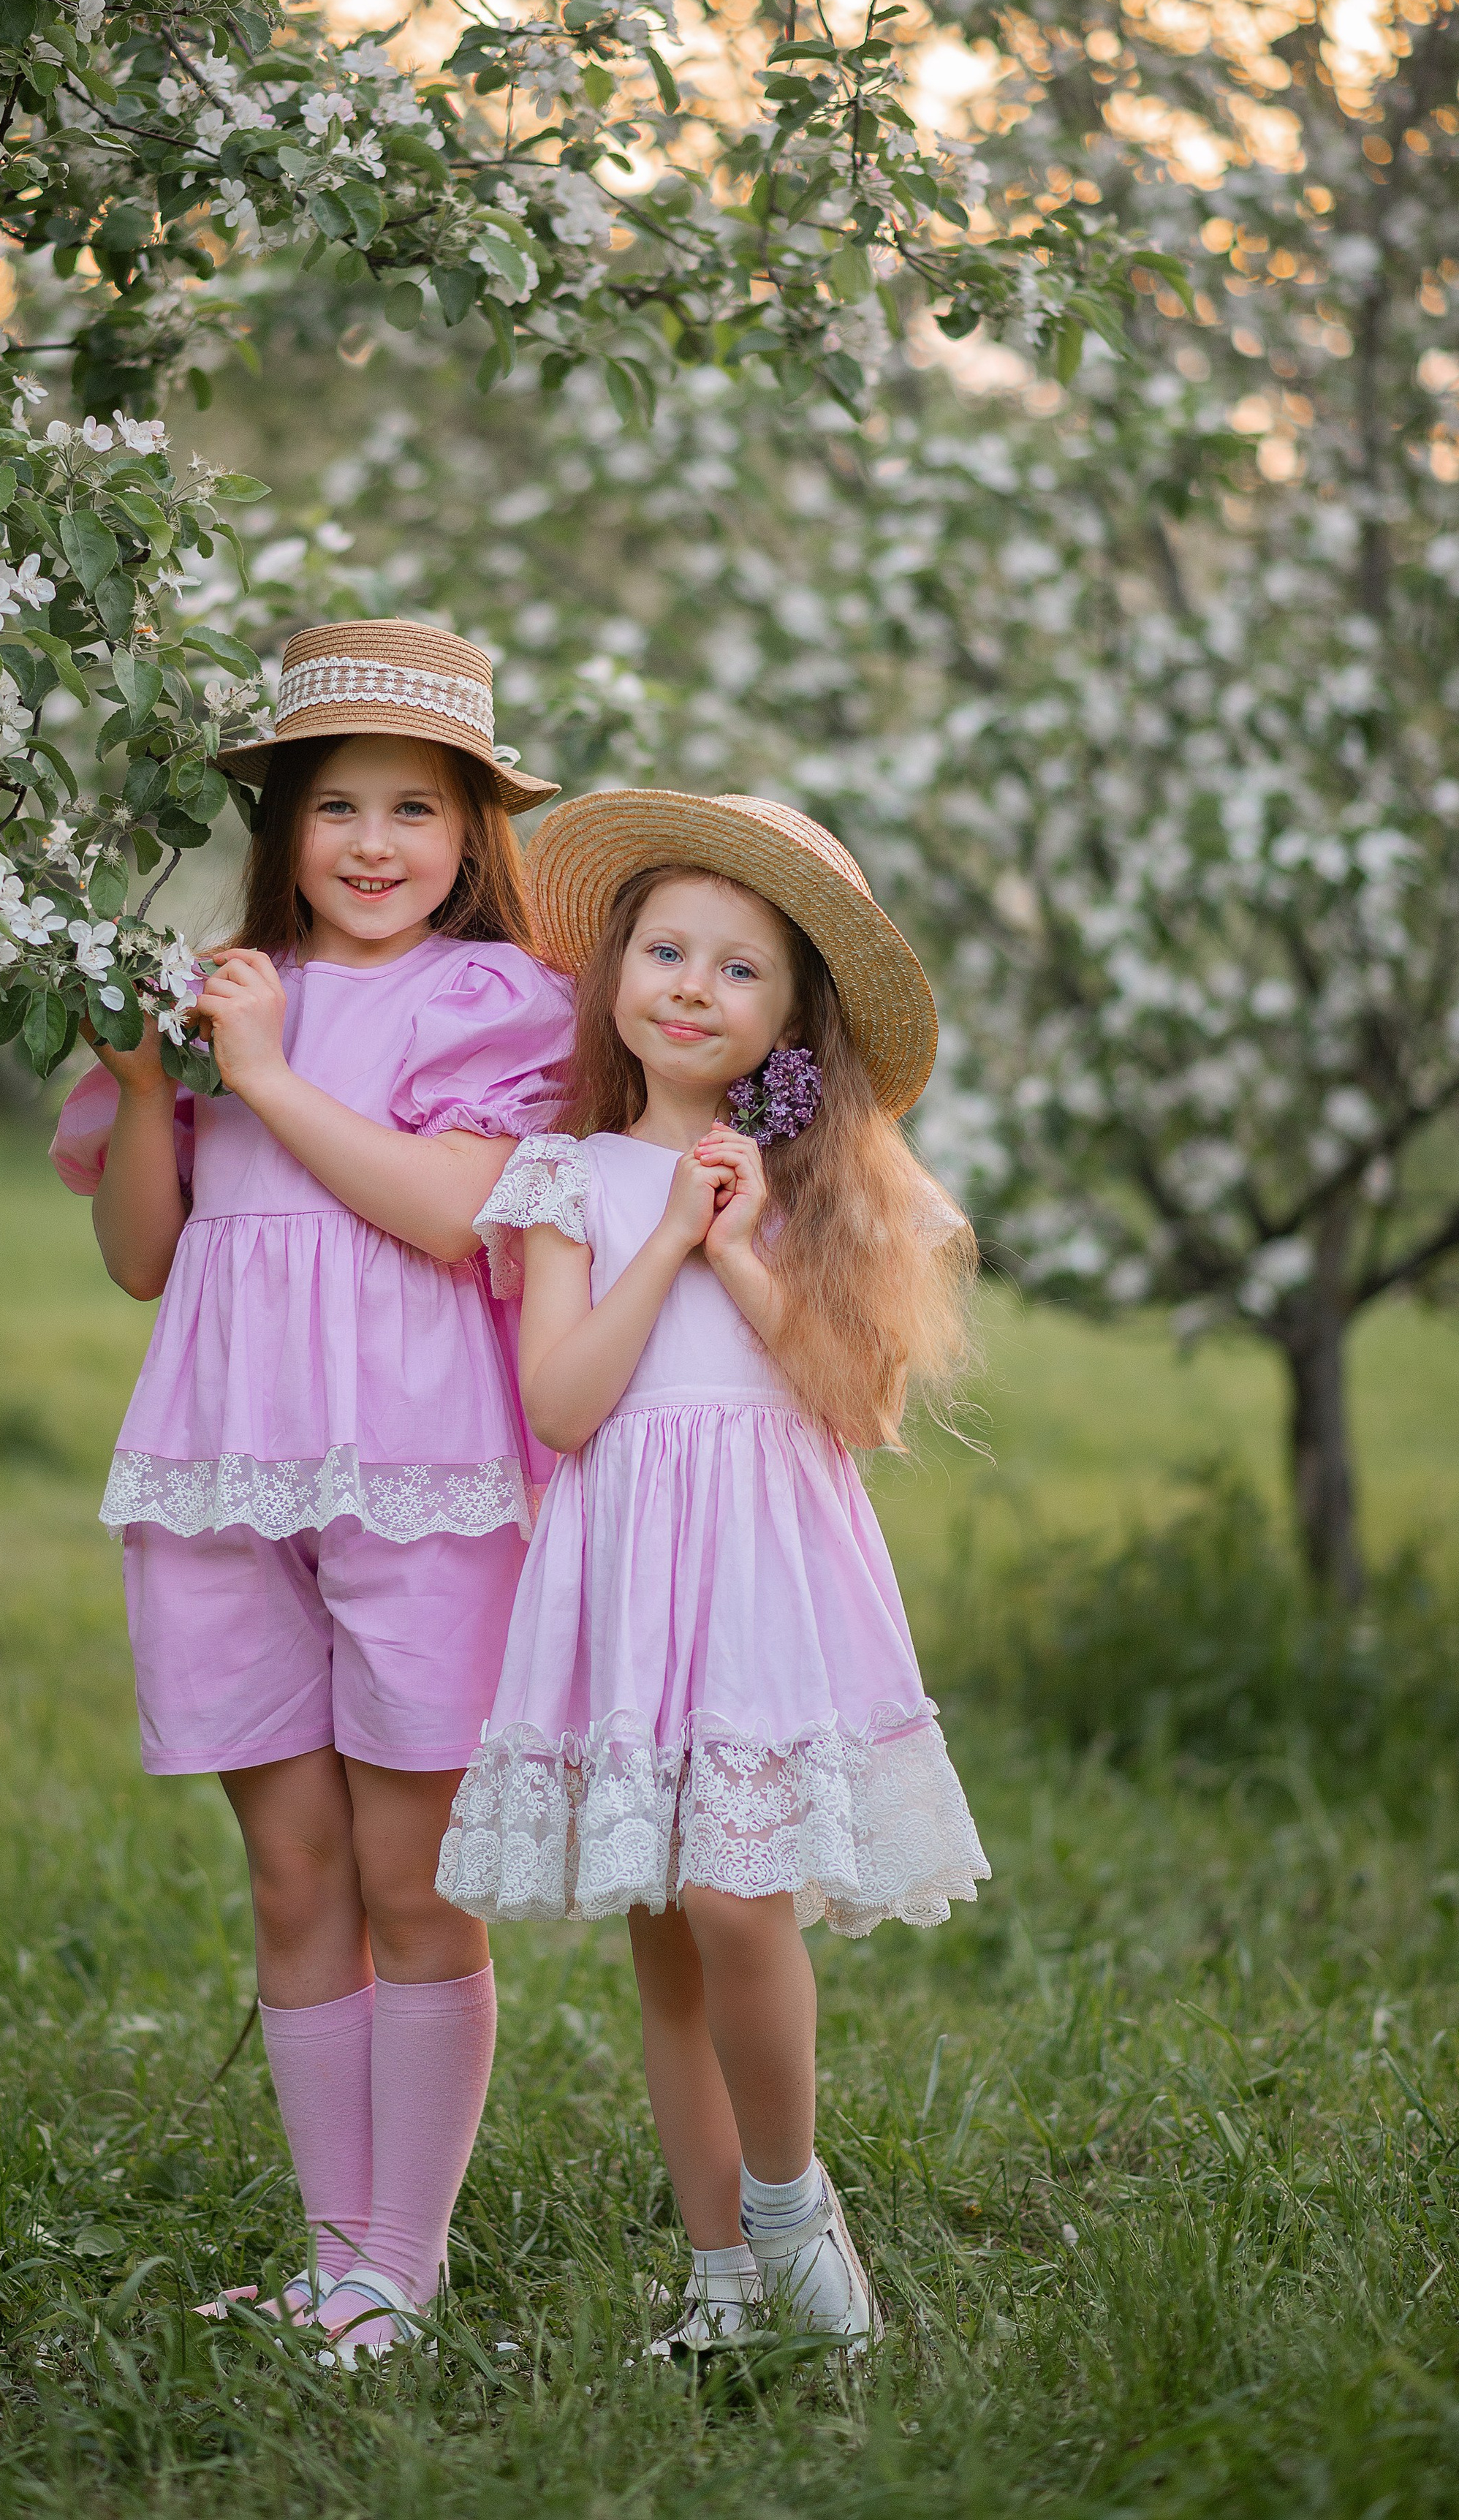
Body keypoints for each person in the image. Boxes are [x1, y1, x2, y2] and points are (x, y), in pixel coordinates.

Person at [50, 621, 573, 2358]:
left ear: (471, 832)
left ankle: (397, 2269)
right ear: (281, 823)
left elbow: (453, 1213)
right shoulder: (224, 991)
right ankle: (336, 2260)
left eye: (413, 808)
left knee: (412, 1879)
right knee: (292, 1878)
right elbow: (143, 1254)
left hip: (416, 1467)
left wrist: (266, 1073)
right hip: (220, 1457)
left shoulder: (494, 998)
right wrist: (155, 1086)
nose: (370, 842)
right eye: (336, 804)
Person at [436, 790, 988, 2355]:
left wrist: (739, 1247)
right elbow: (559, 1407)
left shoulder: (818, 1189)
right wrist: (668, 1234)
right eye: (665, 951)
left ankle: (791, 2211)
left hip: (760, 1571)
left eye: (738, 969)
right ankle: (723, 2282)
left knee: (741, 1900)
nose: (690, 986)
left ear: (790, 1017)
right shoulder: (569, 1178)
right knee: (668, 1936)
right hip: (630, 1570)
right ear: (615, 973)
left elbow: (856, 1407)